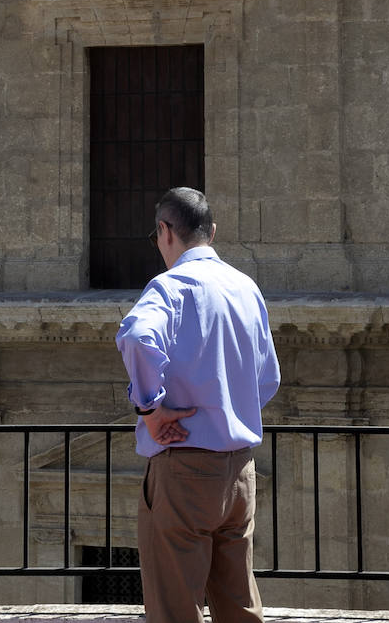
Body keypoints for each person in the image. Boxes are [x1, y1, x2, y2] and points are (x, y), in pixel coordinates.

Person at [116, 187, 280, 623]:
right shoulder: (246, 287)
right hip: (239, 469)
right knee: (239, 606)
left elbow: (136, 337)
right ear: (212, 232)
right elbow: (268, 378)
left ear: (165, 232)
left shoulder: (170, 287)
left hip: (185, 467)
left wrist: (151, 412)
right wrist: (229, 408)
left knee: (175, 608)